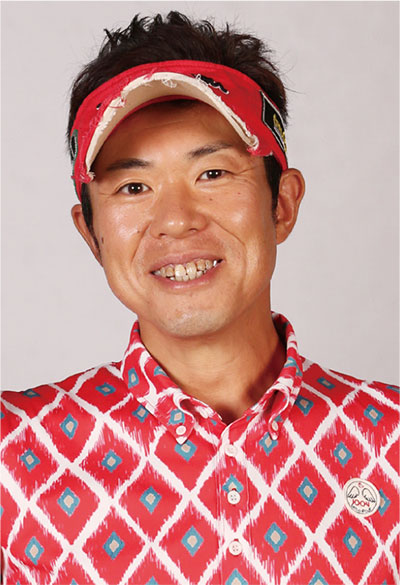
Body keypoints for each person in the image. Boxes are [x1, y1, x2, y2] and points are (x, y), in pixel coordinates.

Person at [1, 11, 398, 585]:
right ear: (91, 234)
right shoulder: (14, 454)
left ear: (282, 204)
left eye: (213, 173)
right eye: (133, 186)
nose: (176, 220)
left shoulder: (391, 442)